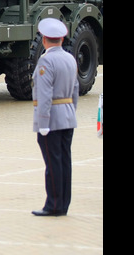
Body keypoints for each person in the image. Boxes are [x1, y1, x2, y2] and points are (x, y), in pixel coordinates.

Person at [31, 18, 79, 217]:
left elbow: (44, 94)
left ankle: (54, 205)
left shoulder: (46, 60)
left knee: (53, 164)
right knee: (64, 162)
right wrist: (71, 112)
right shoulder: (70, 58)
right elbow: (75, 89)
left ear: (44, 40)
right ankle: (63, 203)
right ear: (60, 39)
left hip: (51, 119)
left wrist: (43, 122)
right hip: (67, 116)